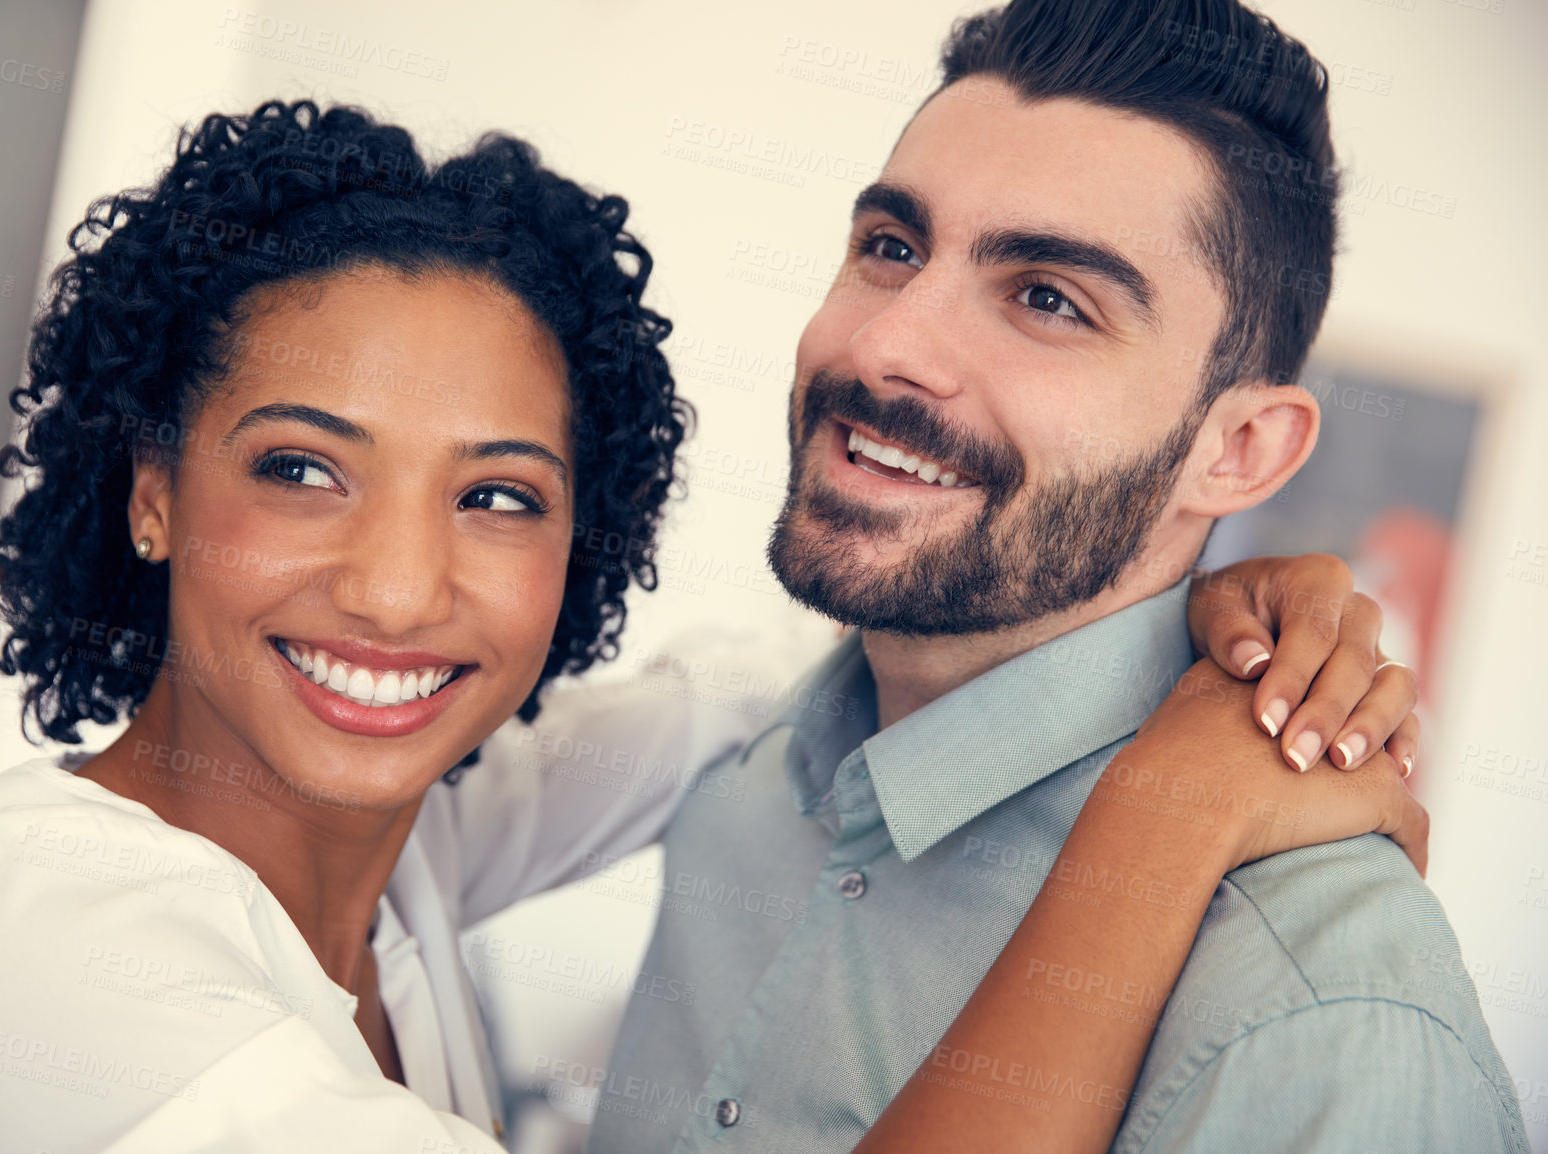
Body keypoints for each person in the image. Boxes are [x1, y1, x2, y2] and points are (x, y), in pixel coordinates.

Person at [0, 98, 1421, 1154]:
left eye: (499, 496)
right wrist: (1173, 799)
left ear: (579, 543)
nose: (393, 588)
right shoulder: (34, 947)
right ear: (150, 491)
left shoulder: (400, 839)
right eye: (301, 468)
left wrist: (1198, 592)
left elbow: (745, 691)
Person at [572, 1, 1528, 1152]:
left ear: (1237, 450)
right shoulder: (735, 787)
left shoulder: (1322, 1016)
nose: (887, 346)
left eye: (1047, 299)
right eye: (892, 247)